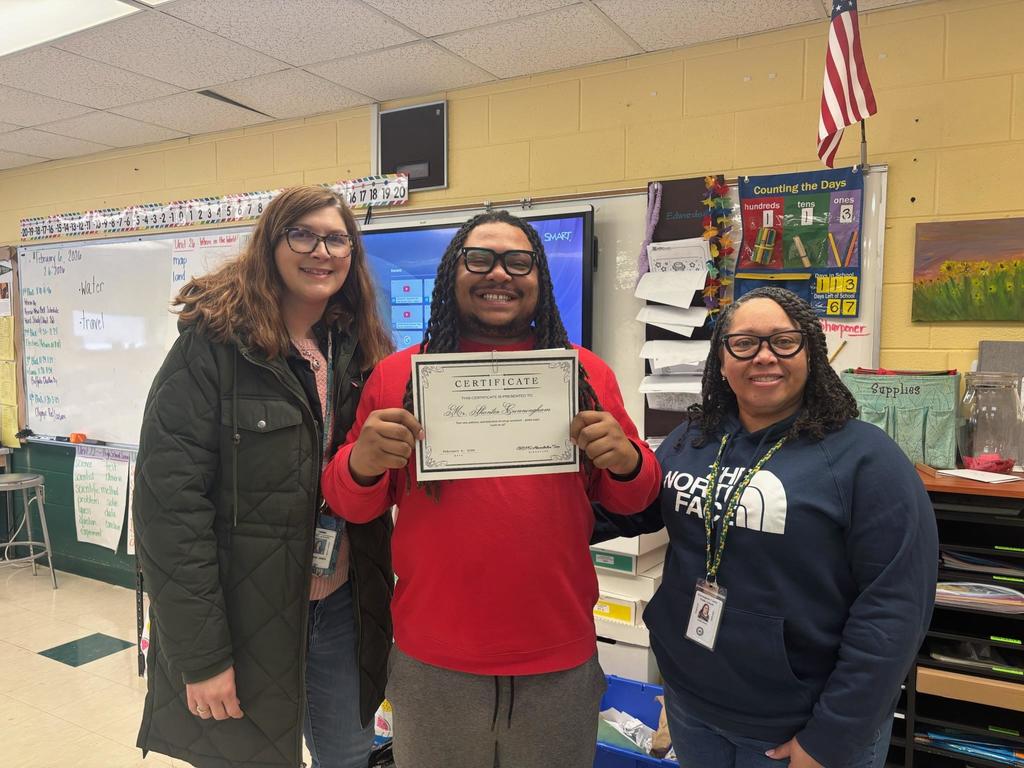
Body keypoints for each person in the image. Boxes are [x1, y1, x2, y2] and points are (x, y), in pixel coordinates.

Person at [321, 209, 661, 768]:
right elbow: (348, 501)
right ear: (453, 275)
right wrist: (359, 463)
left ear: (540, 278)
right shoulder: (399, 377)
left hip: (558, 659)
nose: (498, 273)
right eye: (478, 259)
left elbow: (634, 497)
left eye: (517, 261)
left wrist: (626, 461)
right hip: (435, 662)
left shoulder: (585, 373)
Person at [593, 286, 938, 768]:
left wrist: (833, 737)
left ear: (810, 351)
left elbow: (895, 606)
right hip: (692, 705)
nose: (764, 357)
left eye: (783, 341)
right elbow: (639, 509)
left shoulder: (866, 458)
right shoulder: (691, 439)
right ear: (722, 358)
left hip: (801, 727)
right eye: (745, 343)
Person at [133, 186, 395, 768]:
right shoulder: (213, 348)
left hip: (342, 610)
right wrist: (201, 658)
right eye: (302, 234)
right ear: (269, 245)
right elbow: (168, 512)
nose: (321, 251)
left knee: (348, 757)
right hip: (242, 618)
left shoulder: (361, 351)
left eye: (336, 238)